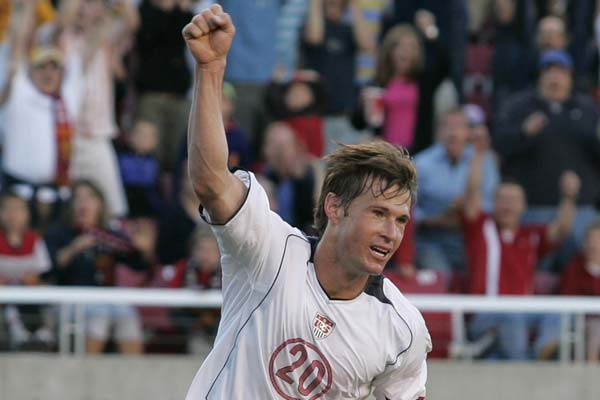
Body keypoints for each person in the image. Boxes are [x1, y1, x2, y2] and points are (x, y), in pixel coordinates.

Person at [182, 5, 431, 399]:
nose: (390, 232)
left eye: (400, 220)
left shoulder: (401, 329)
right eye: (379, 213)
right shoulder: (269, 252)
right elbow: (212, 181)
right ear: (335, 207)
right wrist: (211, 69)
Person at [462, 128, 580, 359]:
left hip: (524, 312)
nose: (508, 206)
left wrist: (569, 197)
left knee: (558, 312)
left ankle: (541, 353)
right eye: (502, 200)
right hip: (485, 314)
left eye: (514, 201)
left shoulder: (531, 236)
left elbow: (562, 228)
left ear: (524, 207)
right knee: (511, 317)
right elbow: (472, 192)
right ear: (493, 204)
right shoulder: (480, 227)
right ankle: (527, 369)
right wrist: (478, 154)